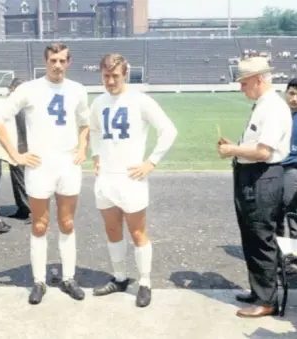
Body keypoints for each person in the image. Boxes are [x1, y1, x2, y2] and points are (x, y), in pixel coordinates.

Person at [0, 43, 90, 305]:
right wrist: (15, 155)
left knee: (67, 223)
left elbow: (85, 123)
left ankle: (68, 277)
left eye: (61, 60)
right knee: (39, 224)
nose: (57, 65)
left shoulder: (77, 90)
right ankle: (39, 280)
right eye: (53, 60)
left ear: (68, 62)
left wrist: (82, 147)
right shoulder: (29, 89)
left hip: (67, 164)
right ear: (45, 62)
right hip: (39, 165)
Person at [90, 54, 177, 307]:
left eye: (115, 76)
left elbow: (168, 130)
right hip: (106, 177)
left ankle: (145, 281)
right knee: (112, 230)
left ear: (125, 73)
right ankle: (119, 278)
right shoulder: (98, 102)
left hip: (131, 178)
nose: (110, 81)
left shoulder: (140, 100)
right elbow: (95, 130)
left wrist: (151, 161)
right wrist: (96, 155)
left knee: (137, 232)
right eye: (106, 76)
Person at [217, 56, 292, 318]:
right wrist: (237, 148)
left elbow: (262, 151)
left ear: (259, 79)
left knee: (261, 238)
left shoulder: (272, 108)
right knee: (250, 235)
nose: (241, 88)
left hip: (262, 176)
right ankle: (259, 290)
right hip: (251, 174)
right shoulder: (264, 105)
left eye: (244, 82)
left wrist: (231, 150)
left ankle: (266, 300)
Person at [6, 78, 31, 223]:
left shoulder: (20, 105)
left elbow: (23, 129)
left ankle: (29, 210)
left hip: (20, 147)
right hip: (17, 146)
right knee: (17, 180)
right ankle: (22, 209)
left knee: (22, 180)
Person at [278, 78, 297, 239]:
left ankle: (294, 255)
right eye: (291, 94)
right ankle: (276, 253)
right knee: (274, 212)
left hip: (293, 168)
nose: (294, 99)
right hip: (274, 167)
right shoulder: (279, 114)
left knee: (292, 211)